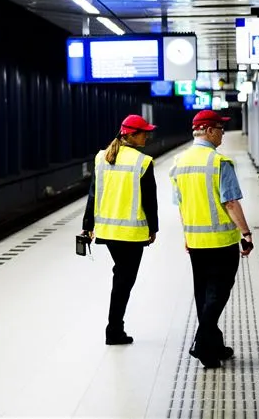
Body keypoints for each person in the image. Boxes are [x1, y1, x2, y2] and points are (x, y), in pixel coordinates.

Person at [169, 109, 253, 369]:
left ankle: (213, 347)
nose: (223, 134)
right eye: (220, 128)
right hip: (221, 242)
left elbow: (181, 205)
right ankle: (201, 343)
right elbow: (230, 202)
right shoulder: (219, 162)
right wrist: (246, 233)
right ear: (208, 131)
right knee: (218, 295)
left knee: (204, 295)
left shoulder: (178, 162)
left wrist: (187, 235)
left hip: (195, 241)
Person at [82, 114, 159, 345]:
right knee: (124, 281)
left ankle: (115, 328)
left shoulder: (102, 158)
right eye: (144, 133)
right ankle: (114, 330)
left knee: (121, 278)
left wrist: (88, 226)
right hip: (132, 234)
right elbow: (150, 201)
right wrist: (153, 229)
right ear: (131, 135)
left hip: (107, 232)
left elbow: (93, 194)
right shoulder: (143, 162)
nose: (147, 136)